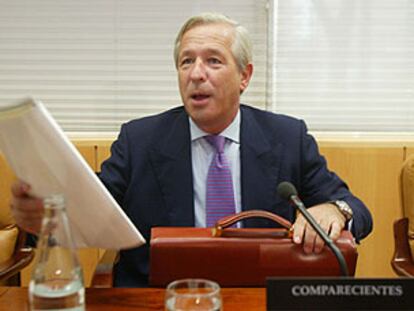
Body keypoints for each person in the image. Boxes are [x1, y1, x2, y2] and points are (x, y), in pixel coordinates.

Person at [11, 13, 372, 287]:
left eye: (213, 60)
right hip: (161, 296)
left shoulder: (286, 136)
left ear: (244, 76)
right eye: (186, 61)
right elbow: (91, 210)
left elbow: (358, 211)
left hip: (257, 296)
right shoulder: (140, 141)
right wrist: (43, 218)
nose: (196, 73)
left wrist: (335, 209)